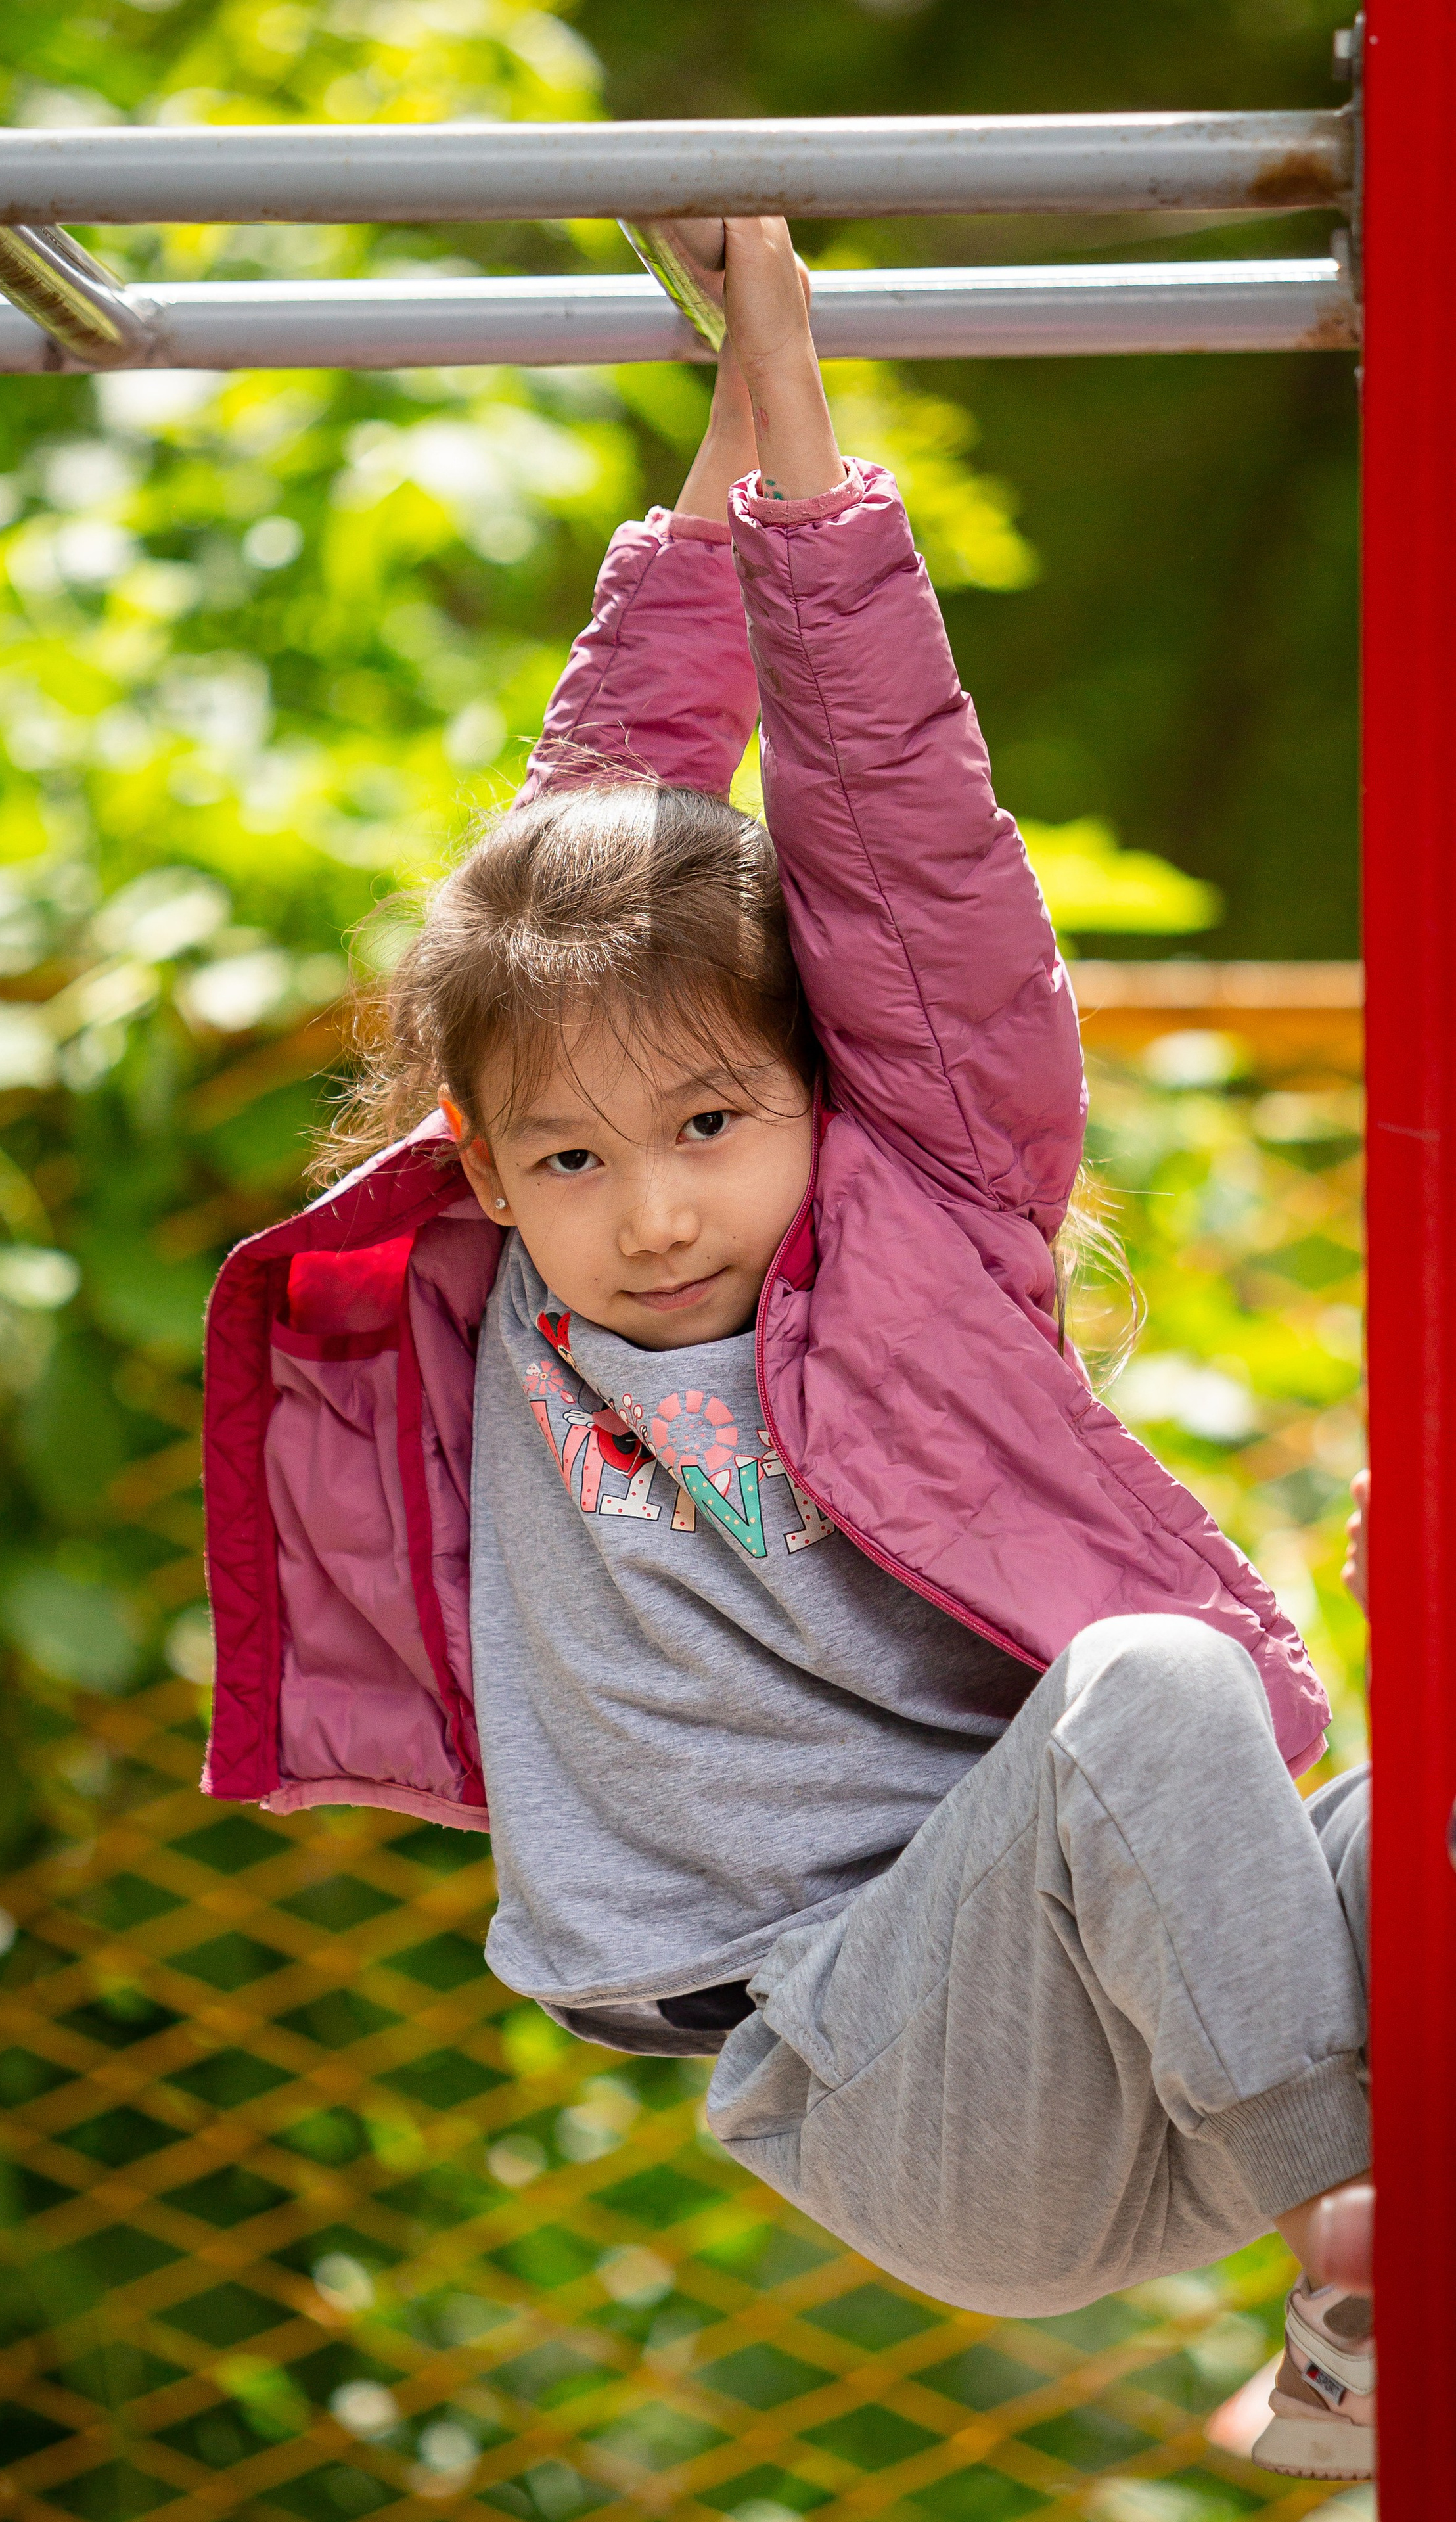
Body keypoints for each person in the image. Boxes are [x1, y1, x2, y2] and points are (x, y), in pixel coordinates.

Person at [200, 219, 1372, 2483]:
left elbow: (902, 856)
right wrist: (741, 372)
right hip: (903, 2075)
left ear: (830, 1093)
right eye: (567, 1160)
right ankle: (1360, 2207)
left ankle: (1354, 2307)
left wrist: (791, 385)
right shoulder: (490, 1289)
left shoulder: (914, 1223)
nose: (647, 1211)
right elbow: (596, 815)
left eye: (715, 1125)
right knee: (1151, 1676)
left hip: (1163, 1997)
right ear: (476, 1154)